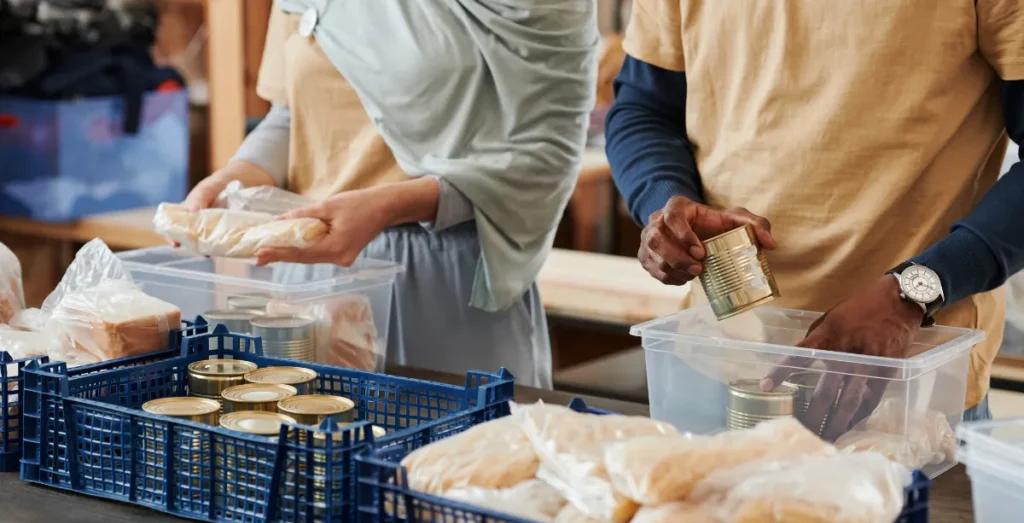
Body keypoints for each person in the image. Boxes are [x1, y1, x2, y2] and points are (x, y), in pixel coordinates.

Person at [606, 1, 1024, 436]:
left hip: (909, 382)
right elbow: (644, 109)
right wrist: (666, 202)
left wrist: (915, 292)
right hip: (720, 356)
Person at [182, 1, 598, 388]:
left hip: (447, 282)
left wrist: (387, 205)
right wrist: (236, 175)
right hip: (310, 283)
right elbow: (291, 114)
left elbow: (546, 154)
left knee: (450, 460)